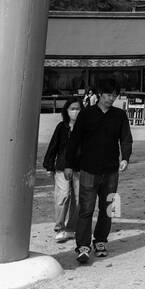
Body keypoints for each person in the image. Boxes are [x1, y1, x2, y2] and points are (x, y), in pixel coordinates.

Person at [66, 75, 133, 266]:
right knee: (86, 208)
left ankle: (101, 240)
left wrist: (125, 158)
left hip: (111, 169)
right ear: (99, 94)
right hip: (89, 168)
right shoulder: (86, 115)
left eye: (114, 95)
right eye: (107, 95)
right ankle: (83, 246)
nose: (111, 98)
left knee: (109, 208)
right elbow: (75, 140)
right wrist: (69, 164)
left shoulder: (119, 116)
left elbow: (126, 139)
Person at [42, 97, 82, 243]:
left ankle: (72, 228)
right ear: (67, 110)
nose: (75, 111)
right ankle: (59, 228)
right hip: (62, 168)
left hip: (80, 168)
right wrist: (49, 165)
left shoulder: (85, 127)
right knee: (63, 196)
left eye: (78, 108)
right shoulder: (61, 127)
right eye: (72, 109)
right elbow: (54, 145)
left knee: (79, 200)